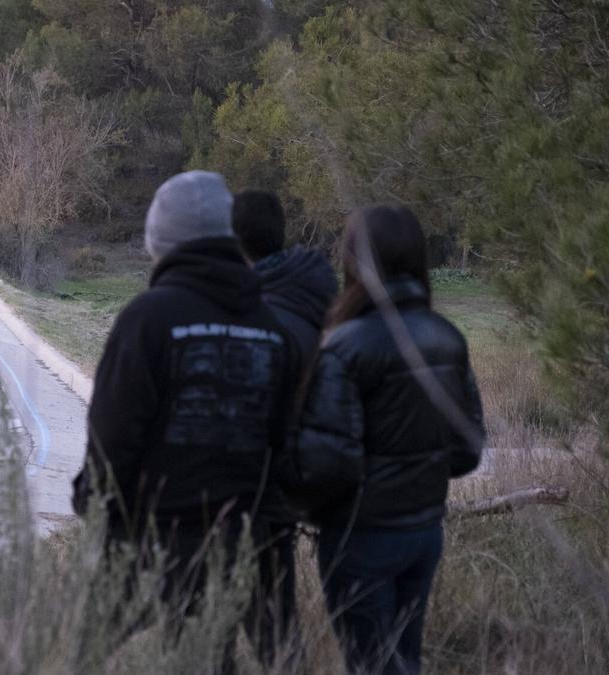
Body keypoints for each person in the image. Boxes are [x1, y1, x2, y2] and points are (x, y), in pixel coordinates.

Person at [72, 171, 296, 663]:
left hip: (160, 534)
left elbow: (114, 432)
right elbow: (285, 441)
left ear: (162, 241)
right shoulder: (271, 326)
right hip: (251, 536)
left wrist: (93, 498)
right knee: (244, 658)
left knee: (82, 652)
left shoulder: (149, 319)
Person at [290, 205, 485, 675]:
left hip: (362, 537)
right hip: (423, 532)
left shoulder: (345, 346)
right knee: (403, 661)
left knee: (371, 665)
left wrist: (299, 505)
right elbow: (466, 450)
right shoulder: (448, 338)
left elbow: (330, 460)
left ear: (354, 261)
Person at [232, 189, 339, 656]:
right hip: (303, 478)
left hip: (257, 485)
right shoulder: (311, 293)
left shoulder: (261, 314)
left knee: (251, 620)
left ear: (236, 241)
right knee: (277, 615)